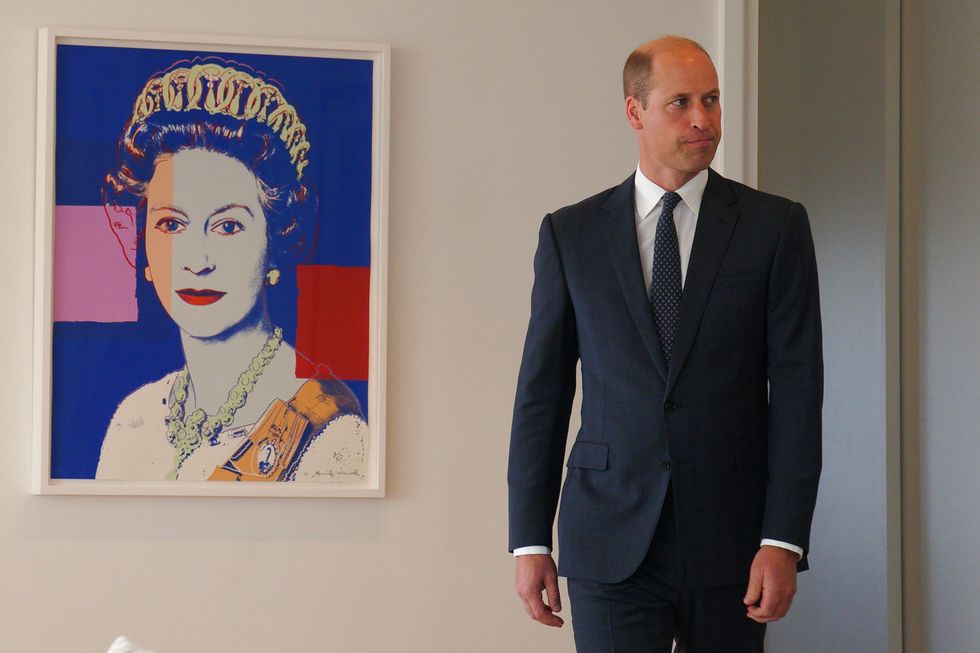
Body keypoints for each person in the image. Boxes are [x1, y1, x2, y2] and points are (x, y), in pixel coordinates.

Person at [508, 36, 822, 652]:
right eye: (680, 102)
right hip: (608, 537)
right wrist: (531, 540)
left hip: (732, 541)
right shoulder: (571, 235)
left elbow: (798, 391)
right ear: (635, 112)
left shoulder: (775, 228)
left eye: (711, 99)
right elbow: (542, 395)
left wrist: (783, 538)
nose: (702, 119)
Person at [95, 59, 366, 483]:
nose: (198, 260)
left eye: (227, 226)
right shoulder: (134, 419)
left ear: (275, 242)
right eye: (171, 224)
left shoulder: (330, 434)